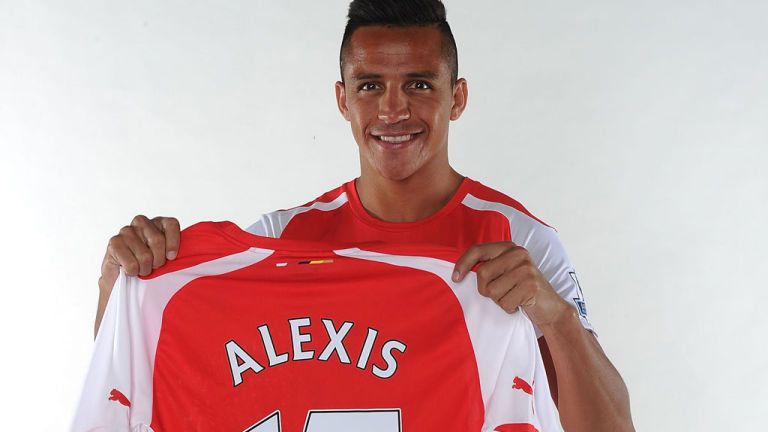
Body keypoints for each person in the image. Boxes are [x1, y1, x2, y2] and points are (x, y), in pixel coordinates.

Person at [94, 1, 634, 430]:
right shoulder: (281, 239)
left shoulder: (519, 241)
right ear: (342, 99)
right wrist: (121, 284)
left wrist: (556, 318)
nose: (393, 110)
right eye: (370, 85)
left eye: (419, 84)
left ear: (457, 98)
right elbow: (133, 379)